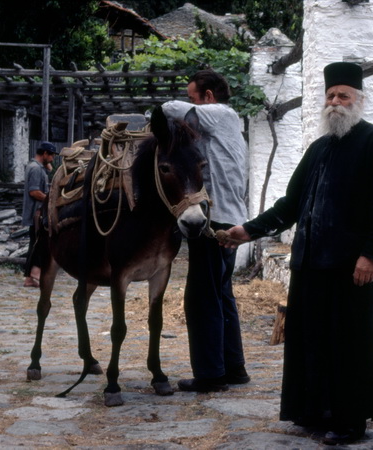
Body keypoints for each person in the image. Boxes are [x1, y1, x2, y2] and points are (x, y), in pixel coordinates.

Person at [220, 62, 373, 444]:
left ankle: (350, 420)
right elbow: (290, 205)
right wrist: (247, 231)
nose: (335, 102)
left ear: (359, 101)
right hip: (310, 263)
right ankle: (316, 411)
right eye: (331, 95)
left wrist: (371, 255)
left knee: (348, 343)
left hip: (351, 267)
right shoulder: (319, 148)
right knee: (312, 340)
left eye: (343, 96)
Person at [162, 69, 250, 392]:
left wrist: (154, 115)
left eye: (193, 97)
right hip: (232, 219)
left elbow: (173, 109)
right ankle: (234, 367)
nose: (191, 103)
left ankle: (211, 375)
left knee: (201, 298)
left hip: (214, 221)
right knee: (221, 294)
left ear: (208, 98)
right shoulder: (230, 127)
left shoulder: (218, 114)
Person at [22, 141, 57, 287]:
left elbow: (48, 170)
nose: (53, 159)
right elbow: (34, 192)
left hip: (36, 212)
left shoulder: (36, 166)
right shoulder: (36, 169)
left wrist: (48, 167)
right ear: (44, 154)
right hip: (36, 213)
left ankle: (29, 278)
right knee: (38, 244)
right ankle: (34, 275)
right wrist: (51, 199)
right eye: (51, 156)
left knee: (34, 243)